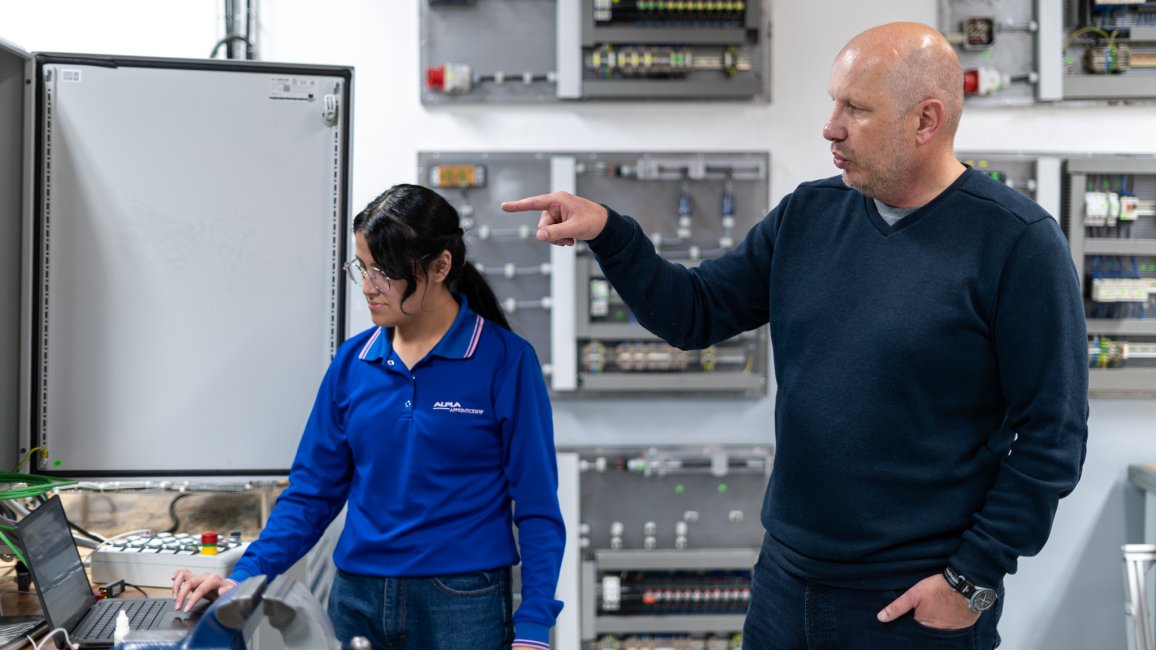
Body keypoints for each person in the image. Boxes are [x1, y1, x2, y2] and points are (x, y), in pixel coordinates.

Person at [501, 22, 1087, 650]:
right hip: (786, 584)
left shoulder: (1016, 243)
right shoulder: (808, 216)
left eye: (855, 109)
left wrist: (971, 579)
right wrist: (612, 234)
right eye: (834, 102)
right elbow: (692, 313)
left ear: (926, 120)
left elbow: (1052, 436)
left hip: (912, 599)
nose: (830, 126)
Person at [172, 183, 565, 650]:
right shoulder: (354, 362)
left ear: (440, 266)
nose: (367, 286)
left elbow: (538, 506)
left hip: (462, 602)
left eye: (385, 272)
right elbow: (311, 495)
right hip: (356, 597)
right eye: (362, 266)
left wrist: (535, 626)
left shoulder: (504, 360)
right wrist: (245, 576)